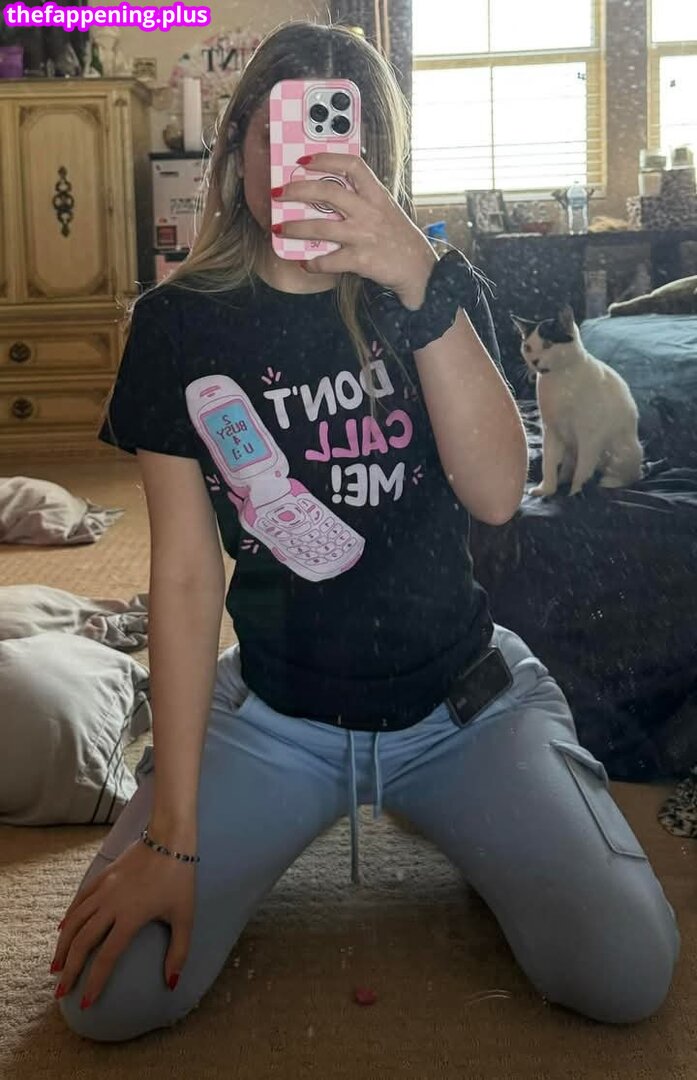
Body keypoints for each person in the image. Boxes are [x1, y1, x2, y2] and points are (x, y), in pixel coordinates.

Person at [52, 22, 679, 1043]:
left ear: (377, 158)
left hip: (461, 704)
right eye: (278, 131)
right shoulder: (178, 325)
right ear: (238, 149)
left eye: (333, 134)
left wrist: (420, 284)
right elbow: (184, 575)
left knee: (624, 972)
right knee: (106, 997)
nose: (304, 160)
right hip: (276, 713)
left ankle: (502, 797)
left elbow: (495, 496)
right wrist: (172, 831)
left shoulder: (434, 291)